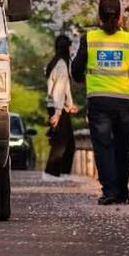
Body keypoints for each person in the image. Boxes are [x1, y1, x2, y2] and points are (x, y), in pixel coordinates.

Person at [72, 0, 129, 206]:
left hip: (98, 101)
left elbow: (76, 68)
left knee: (103, 146)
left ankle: (109, 191)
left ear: (99, 16)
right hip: (125, 102)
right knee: (123, 147)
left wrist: (81, 79)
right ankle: (123, 192)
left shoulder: (89, 39)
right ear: (120, 17)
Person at [44, 33, 77, 179]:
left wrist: (69, 105)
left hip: (59, 106)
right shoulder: (62, 65)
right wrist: (58, 113)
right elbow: (58, 90)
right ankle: (52, 173)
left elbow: (65, 88)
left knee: (67, 143)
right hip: (57, 107)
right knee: (61, 143)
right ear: (66, 48)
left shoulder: (56, 63)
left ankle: (62, 173)